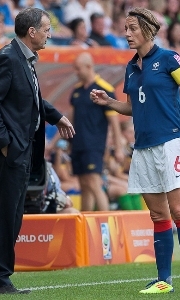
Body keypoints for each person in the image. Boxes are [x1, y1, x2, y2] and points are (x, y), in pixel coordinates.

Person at [90, 7, 180, 294]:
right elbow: (132, 107)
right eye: (125, 28)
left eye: (132, 28)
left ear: (148, 30)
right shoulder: (131, 66)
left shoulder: (168, 59)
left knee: (179, 210)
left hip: (172, 143)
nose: (126, 34)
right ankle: (164, 280)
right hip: (143, 147)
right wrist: (109, 102)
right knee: (157, 215)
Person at [0, 7, 75, 294]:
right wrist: (5, 143)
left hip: (22, 150)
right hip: (10, 152)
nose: (49, 34)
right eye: (46, 29)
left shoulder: (24, 58)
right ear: (31, 32)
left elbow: (32, 99)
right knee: (6, 215)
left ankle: (0, 277)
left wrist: (56, 116)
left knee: (13, 215)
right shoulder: (8, 58)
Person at [68, 52, 123, 211]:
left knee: (93, 182)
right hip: (78, 144)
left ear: (89, 67)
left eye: (78, 69)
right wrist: (55, 143)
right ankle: (86, 225)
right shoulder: (76, 91)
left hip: (94, 145)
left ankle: (105, 222)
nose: (76, 73)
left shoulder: (104, 89)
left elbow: (114, 123)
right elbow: (70, 119)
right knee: (84, 185)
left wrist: (118, 148)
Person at [0, 162, 79, 214]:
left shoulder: (44, 166)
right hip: (5, 215)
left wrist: (65, 200)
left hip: (40, 214)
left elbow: (59, 193)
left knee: (72, 213)